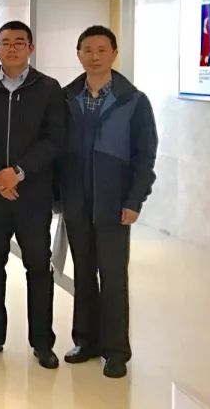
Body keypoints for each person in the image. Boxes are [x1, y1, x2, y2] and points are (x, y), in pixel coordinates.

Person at [59, 25, 157, 379]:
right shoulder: (66, 98)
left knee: (113, 277)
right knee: (83, 274)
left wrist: (134, 199)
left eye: (102, 49)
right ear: (79, 55)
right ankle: (85, 341)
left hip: (114, 205)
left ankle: (116, 351)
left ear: (114, 53)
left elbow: (145, 156)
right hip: (77, 202)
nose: (95, 56)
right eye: (88, 50)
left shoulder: (134, 101)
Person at [0, 21, 64, 370]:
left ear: (30, 48)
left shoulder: (48, 89)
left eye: (19, 42)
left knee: (38, 265)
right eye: (5, 43)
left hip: (32, 193)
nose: (11, 48)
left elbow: (55, 139)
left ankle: (42, 342)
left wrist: (18, 172)